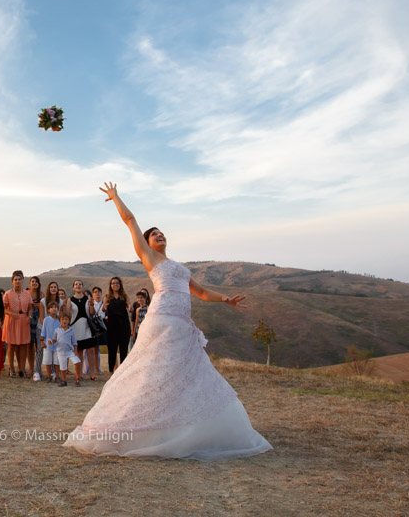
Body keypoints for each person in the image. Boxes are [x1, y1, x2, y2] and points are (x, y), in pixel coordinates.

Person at [64, 182, 272, 460]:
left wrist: (226, 299)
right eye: (155, 234)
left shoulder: (180, 268)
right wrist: (115, 197)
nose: (159, 235)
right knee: (153, 372)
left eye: (162, 233)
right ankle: (134, 424)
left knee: (185, 375)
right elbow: (131, 220)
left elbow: (200, 292)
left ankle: (184, 426)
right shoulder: (149, 258)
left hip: (184, 327)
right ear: (147, 244)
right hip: (161, 322)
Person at [3, 270, 32, 378]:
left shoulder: (27, 293)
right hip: (11, 320)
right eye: (15, 279)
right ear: (12, 281)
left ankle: (22, 369)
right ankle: (11, 368)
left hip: (24, 320)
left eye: (19, 279)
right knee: (12, 345)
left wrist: (29, 316)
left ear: (22, 280)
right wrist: (11, 313)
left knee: (24, 345)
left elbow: (30, 308)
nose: (18, 281)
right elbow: (4, 309)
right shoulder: (8, 294)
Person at [68, 280, 99, 381]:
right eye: (76, 284)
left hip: (87, 327)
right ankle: (79, 373)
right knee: (79, 351)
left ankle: (92, 373)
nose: (78, 286)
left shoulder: (88, 298)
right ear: (73, 287)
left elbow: (92, 313)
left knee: (90, 350)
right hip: (75, 328)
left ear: (82, 286)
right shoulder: (70, 300)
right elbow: (68, 315)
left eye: (80, 284)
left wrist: (91, 305)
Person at [103, 276, 131, 372]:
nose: (115, 285)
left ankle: (123, 372)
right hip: (112, 326)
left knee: (123, 350)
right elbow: (103, 309)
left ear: (120, 285)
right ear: (110, 285)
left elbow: (129, 307)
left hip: (124, 326)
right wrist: (104, 307)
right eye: (113, 283)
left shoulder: (124, 296)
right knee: (112, 350)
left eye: (117, 283)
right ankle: (111, 371)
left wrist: (131, 308)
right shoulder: (107, 297)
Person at [51, 311, 82, 386]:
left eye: (66, 319)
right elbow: (54, 339)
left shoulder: (71, 330)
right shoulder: (57, 330)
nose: (64, 321)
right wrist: (51, 341)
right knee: (63, 367)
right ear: (59, 320)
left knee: (77, 362)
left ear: (69, 321)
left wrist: (75, 350)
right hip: (61, 351)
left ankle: (77, 378)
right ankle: (64, 380)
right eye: (62, 319)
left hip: (70, 351)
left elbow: (74, 342)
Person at [39, 300, 61, 382]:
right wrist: (42, 341)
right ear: (48, 310)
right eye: (52, 308)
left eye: (55, 307)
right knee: (47, 361)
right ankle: (49, 376)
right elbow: (43, 331)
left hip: (57, 344)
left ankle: (57, 376)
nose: (54, 309)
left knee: (57, 361)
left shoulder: (60, 320)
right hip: (48, 344)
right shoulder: (46, 320)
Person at [27, 276, 43, 381]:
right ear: (30, 283)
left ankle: (38, 368)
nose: (34, 283)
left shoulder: (42, 294)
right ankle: (31, 368)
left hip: (39, 319)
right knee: (30, 345)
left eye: (36, 282)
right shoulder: (26, 293)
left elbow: (45, 306)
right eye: (32, 281)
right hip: (29, 318)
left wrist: (39, 306)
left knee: (39, 345)